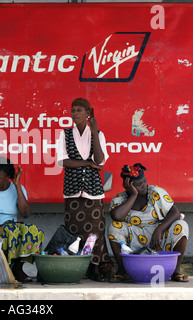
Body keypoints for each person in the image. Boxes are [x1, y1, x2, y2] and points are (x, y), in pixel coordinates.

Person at [56, 98, 112, 281]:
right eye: (73, 110)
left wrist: (94, 131)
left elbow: (100, 160)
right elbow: (62, 161)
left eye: (79, 110)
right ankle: (76, 266)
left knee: (95, 230)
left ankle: (94, 268)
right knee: (74, 229)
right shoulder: (64, 134)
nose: (75, 113)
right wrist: (87, 163)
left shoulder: (98, 134)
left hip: (93, 191)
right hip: (72, 190)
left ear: (88, 113)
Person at [107, 163, 189, 282]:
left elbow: (175, 212)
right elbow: (117, 217)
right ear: (128, 185)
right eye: (139, 184)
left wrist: (159, 229)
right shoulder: (120, 199)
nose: (144, 186)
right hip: (134, 240)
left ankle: (175, 271)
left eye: (144, 181)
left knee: (182, 225)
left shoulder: (155, 192)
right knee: (114, 227)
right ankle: (123, 271)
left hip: (157, 238)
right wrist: (134, 195)